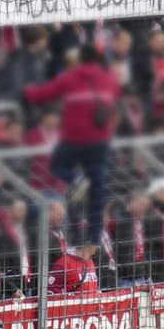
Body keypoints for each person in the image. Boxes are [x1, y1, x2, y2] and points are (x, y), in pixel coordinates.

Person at [24, 44, 121, 253]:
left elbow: (41, 95)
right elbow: (114, 99)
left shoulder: (72, 77)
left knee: (57, 166)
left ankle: (77, 180)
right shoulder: (109, 78)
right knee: (97, 190)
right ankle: (95, 237)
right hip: (101, 141)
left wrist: (25, 91)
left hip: (75, 140)